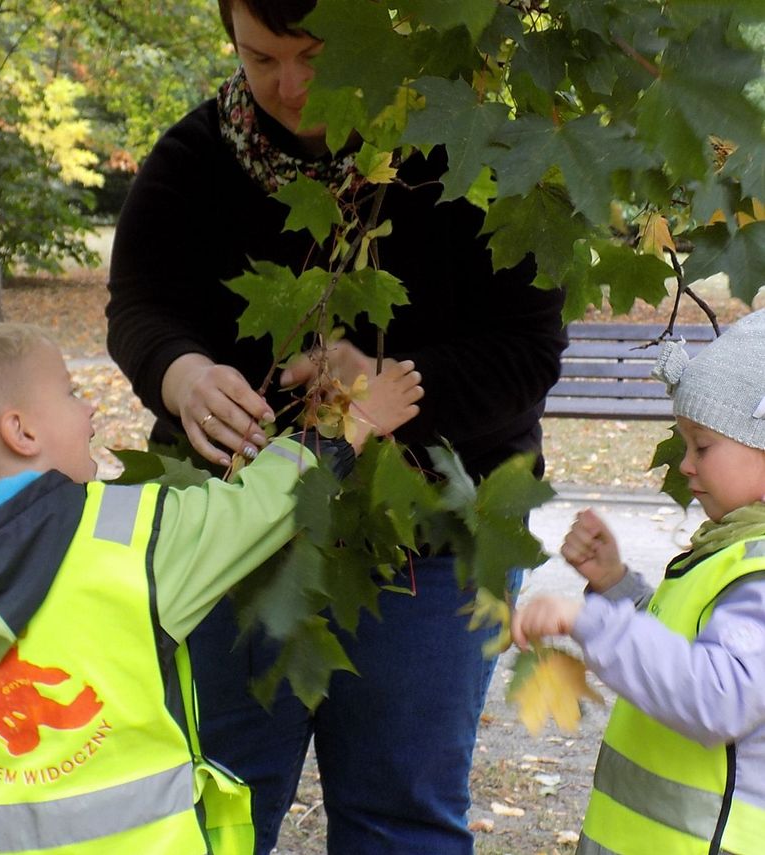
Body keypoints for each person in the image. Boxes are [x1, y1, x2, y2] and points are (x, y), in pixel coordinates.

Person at [104, 0, 567, 851]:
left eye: (311, 57)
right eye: (259, 57)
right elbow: (139, 306)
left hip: (428, 551)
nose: (287, 86)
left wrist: (392, 385)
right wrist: (182, 373)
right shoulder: (191, 159)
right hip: (237, 543)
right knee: (214, 806)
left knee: (401, 822)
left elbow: (527, 353)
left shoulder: (469, 155)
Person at [0, 321, 423, 854]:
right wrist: (353, 425)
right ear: (21, 432)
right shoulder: (133, 541)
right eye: (70, 392)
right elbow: (258, 507)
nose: (90, 407)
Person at [512, 309, 765, 855]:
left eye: (703, 446)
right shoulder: (731, 551)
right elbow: (681, 649)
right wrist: (616, 587)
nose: (687, 466)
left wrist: (589, 621)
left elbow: (719, 696)